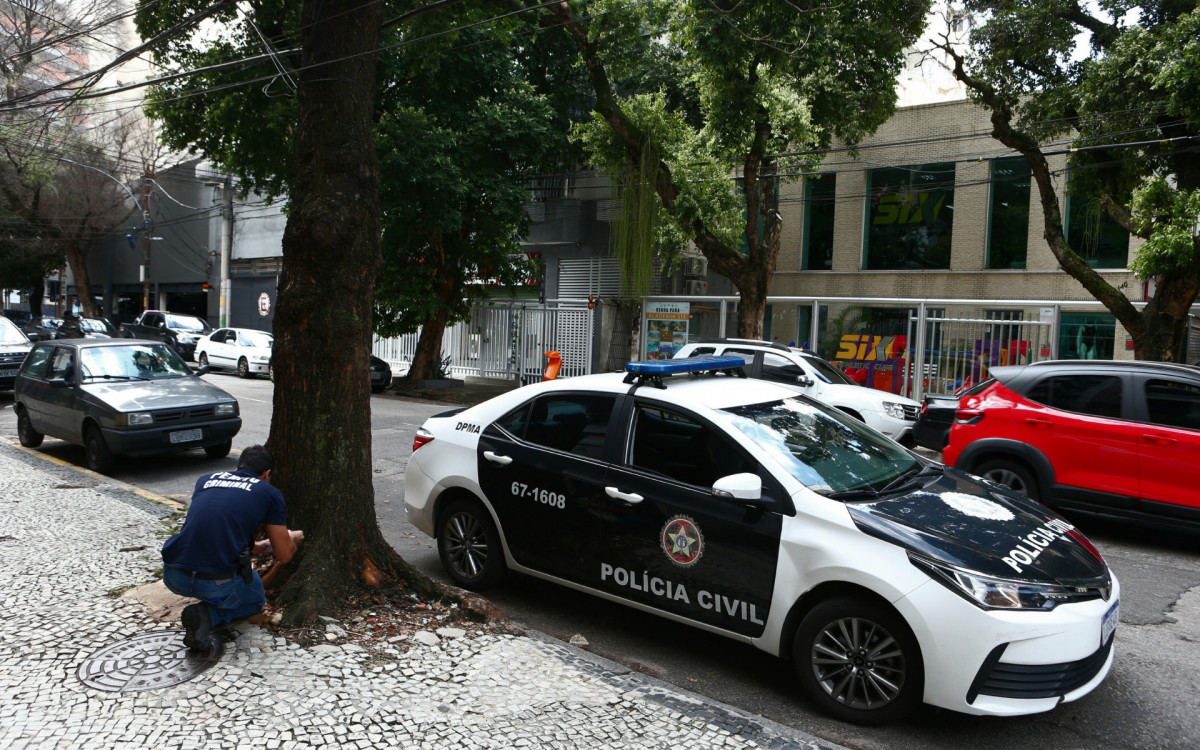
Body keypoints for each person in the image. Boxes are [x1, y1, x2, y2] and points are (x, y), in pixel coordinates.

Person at [161, 445, 303, 651]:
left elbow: (214, 527)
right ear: (267, 474)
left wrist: (256, 546)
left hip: (174, 575)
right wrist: (290, 537)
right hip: (214, 584)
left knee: (219, 580)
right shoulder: (269, 493)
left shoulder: (205, 480)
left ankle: (209, 602)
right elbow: (284, 555)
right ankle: (207, 615)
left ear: (238, 467)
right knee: (254, 599)